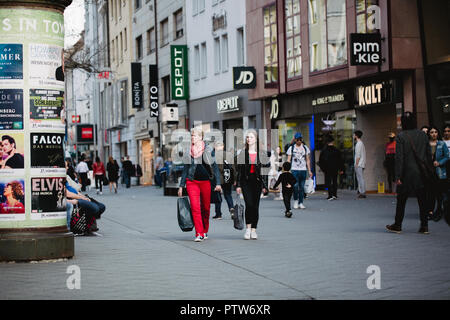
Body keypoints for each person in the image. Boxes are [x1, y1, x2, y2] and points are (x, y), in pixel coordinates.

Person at [386, 112, 432, 234]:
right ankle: (424, 226)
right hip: (421, 173)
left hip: (406, 173)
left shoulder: (401, 136)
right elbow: (428, 155)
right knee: (423, 200)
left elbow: (399, 158)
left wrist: (398, 176)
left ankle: (398, 225)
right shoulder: (423, 135)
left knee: (401, 201)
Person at [178, 127, 222, 242]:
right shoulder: (188, 151)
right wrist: (181, 185)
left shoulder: (208, 150)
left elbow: (215, 167)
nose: (193, 137)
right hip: (192, 181)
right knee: (195, 207)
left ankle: (205, 229)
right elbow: (186, 169)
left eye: (195, 136)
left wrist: (218, 183)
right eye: (191, 136)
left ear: (201, 137)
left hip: (206, 182)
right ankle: (199, 233)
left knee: (206, 208)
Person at [236, 129, 268, 240]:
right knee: (249, 204)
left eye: (251, 137)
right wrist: (238, 185)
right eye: (247, 137)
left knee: (255, 206)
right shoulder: (242, 153)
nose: (249, 139)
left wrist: (265, 186)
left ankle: (254, 229)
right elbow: (239, 171)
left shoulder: (262, 153)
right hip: (246, 182)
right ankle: (248, 228)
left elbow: (265, 171)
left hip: (257, 182)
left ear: (256, 139)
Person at [427, 126, 449, 222]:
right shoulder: (426, 144)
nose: (434, 134)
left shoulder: (441, 143)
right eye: (432, 132)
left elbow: (447, 156)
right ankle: (430, 211)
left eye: (435, 132)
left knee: (440, 193)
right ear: (429, 134)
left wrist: (439, 162)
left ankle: (439, 211)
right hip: (429, 172)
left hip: (440, 172)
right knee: (430, 193)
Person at [286, 132, 312, 209]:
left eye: (300, 139)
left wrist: (309, 170)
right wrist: (287, 170)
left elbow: (307, 160)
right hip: (294, 170)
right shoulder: (291, 148)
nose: (299, 141)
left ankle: (301, 202)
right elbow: (288, 160)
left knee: (302, 187)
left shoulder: (305, 148)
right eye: (297, 139)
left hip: (303, 170)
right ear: (295, 140)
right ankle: (295, 201)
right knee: (295, 186)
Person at [318, 135, 345, 200]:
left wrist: (323, 168)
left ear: (327, 142)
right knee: (335, 181)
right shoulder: (336, 150)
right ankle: (335, 194)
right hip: (335, 168)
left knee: (328, 181)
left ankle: (330, 195)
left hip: (327, 169)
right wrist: (341, 168)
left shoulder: (324, 151)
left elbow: (321, 160)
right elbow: (340, 160)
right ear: (333, 142)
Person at [354, 130, 367, 199]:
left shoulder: (358, 144)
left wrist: (356, 164)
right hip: (361, 163)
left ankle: (362, 192)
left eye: (354, 135)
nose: (353, 136)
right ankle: (361, 191)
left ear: (356, 136)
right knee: (360, 178)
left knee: (360, 178)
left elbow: (358, 155)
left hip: (359, 164)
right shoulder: (361, 143)